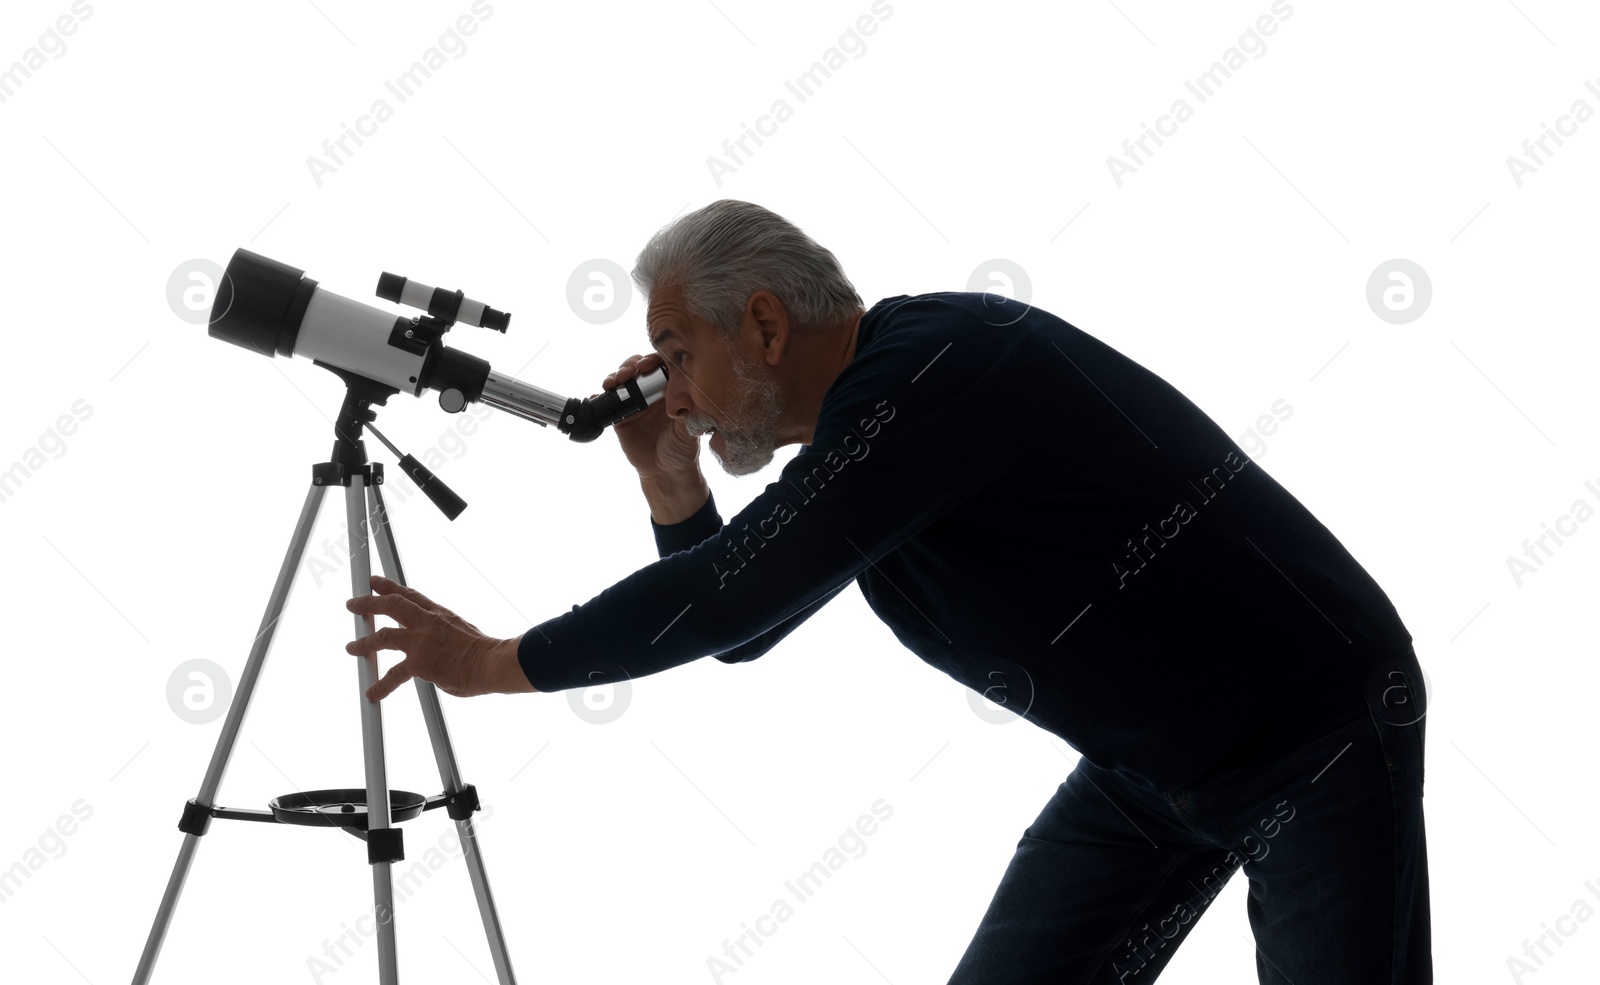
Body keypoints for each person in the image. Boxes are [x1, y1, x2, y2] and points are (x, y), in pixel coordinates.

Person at [345, 199, 1431, 983]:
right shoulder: (862, 440)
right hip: (1153, 765)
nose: (673, 394)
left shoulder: (930, 376)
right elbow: (743, 626)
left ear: (764, 327)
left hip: (1308, 733)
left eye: (676, 355)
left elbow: (726, 599)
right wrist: (669, 481)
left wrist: (490, 663)